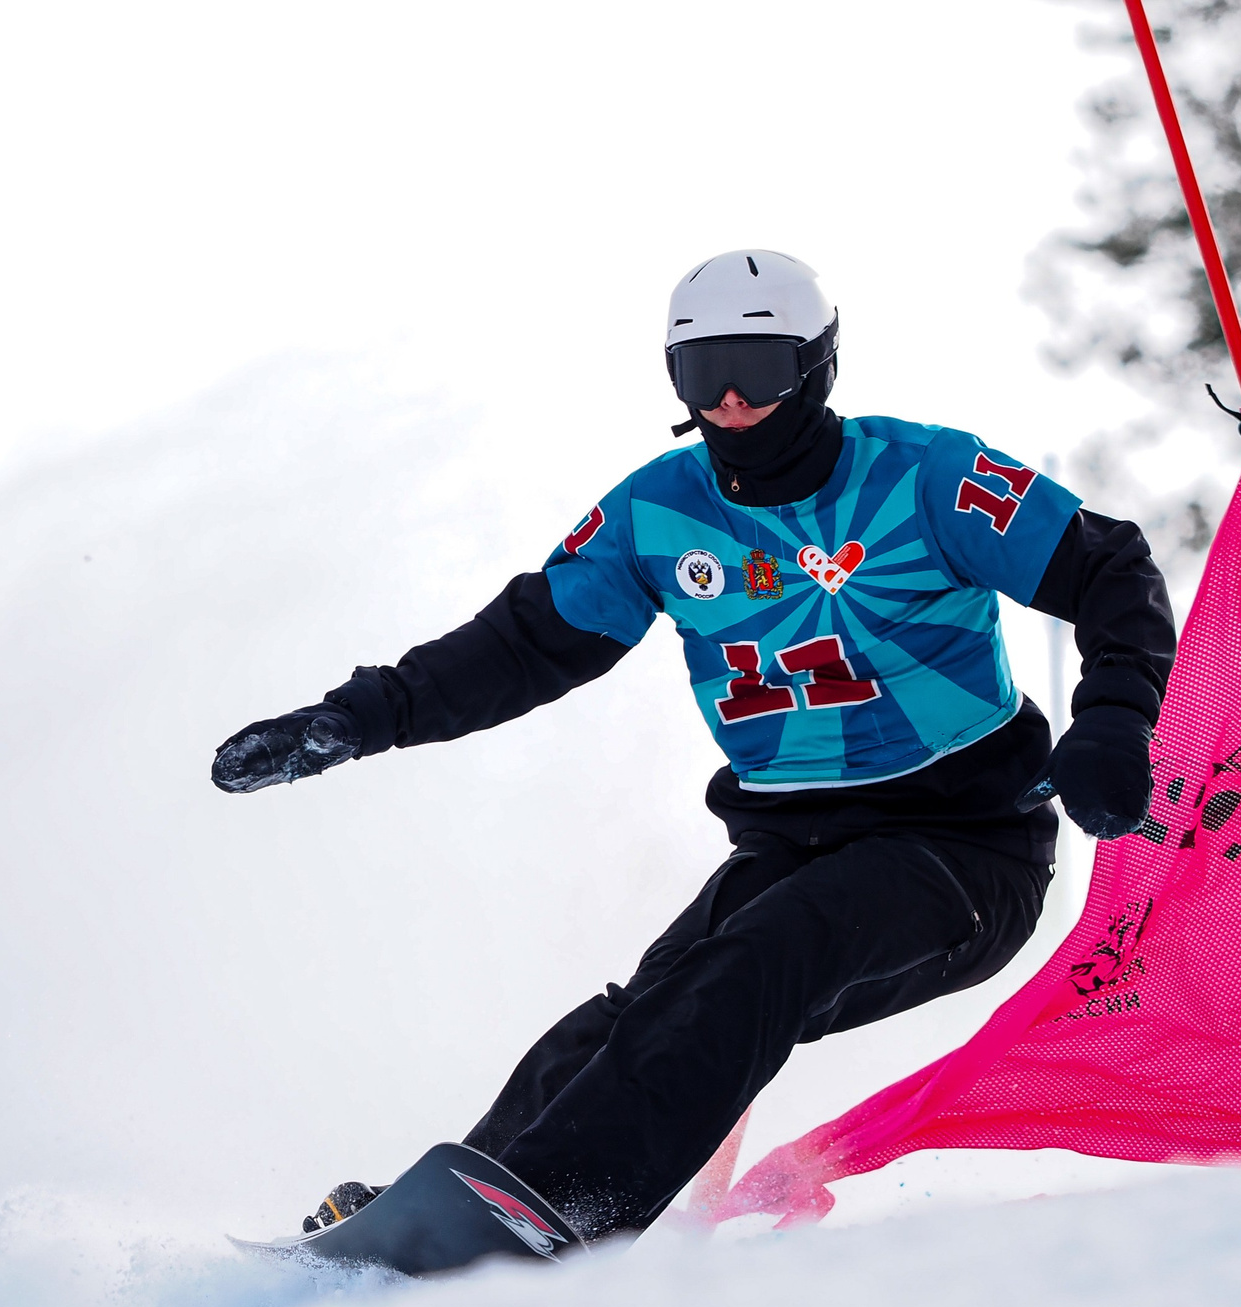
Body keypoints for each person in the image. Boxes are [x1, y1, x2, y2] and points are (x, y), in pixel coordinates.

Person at [212, 250, 1175, 1242]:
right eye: (698, 373)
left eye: (755, 371)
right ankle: (469, 1198)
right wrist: (360, 717)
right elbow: (525, 645)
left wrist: (1111, 718)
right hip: (789, 848)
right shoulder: (659, 514)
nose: (727, 400)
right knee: (644, 1010)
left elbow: (1106, 566)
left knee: (766, 954)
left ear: (816, 365)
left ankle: (565, 1203)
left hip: (964, 851)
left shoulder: (924, 477)